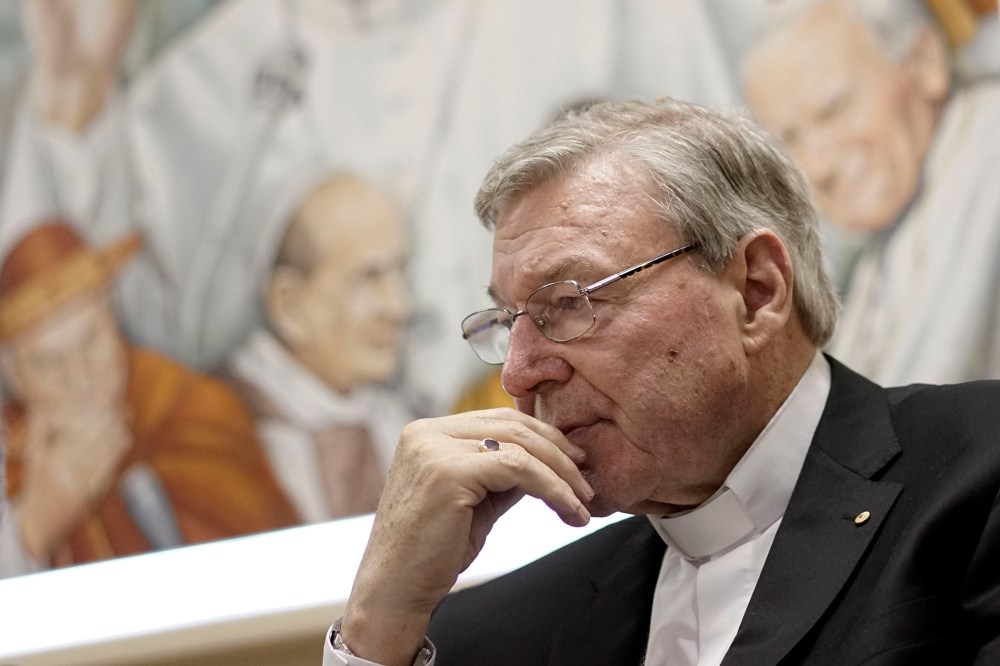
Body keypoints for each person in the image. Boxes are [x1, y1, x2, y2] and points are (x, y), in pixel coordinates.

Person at [321, 98, 1000, 665]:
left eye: (570, 300)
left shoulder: (979, 476)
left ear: (757, 291)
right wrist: (380, 616)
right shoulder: (493, 635)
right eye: (507, 321)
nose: (521, 371)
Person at [0, 220, 297, 573]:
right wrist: (32, 528)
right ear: (14, 375)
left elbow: (270, 573)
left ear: (114, 321)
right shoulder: (10, 448)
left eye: (90, 341)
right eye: (49, 363)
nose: (80, 379)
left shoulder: (198, 409)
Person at [741, 0, 1000, 385]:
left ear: (924, 60)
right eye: (789, 139)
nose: (818, 166)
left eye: (833, 109)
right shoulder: (877, 256)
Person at [226, 171, 416, 523]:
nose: (399, 306)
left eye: (399, 272)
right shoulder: (225, 435)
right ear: (291, 305)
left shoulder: (396, 420)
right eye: (368, 277)